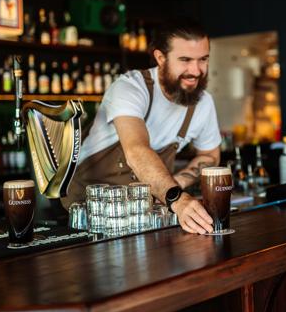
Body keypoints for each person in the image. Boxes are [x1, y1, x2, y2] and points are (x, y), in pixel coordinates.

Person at [64, 19, 221, 234]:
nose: (195, 70)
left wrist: (175, 183)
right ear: (160, 58)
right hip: (88, 217)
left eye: (203, 59)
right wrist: (176, 198)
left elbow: (211, 154)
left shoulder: (203, 102)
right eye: (185, 60)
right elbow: (137, 150)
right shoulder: (130, 87)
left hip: (144, 218)